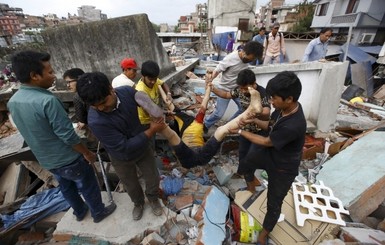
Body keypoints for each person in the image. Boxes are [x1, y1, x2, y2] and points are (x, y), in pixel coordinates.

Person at [7, 51, 116, 223]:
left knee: (66, 187)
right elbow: (67, 136)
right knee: (88, 185)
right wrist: (86, 153)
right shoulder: (48, 101)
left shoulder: (13, 101)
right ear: (34, 76)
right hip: (69, 158)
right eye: (50, 72)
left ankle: (80, 212)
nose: (54, 76)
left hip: (47, 160)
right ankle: (98, 212)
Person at [76, 71, 166, 221]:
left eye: (104, 102)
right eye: (95, 106)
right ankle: (138, 203)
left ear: (112, 89)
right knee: (130, 184)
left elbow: (143, 99)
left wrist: (149, 106)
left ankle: (153, 198)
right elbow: (124, 147)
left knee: (152, 178)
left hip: (143, 149)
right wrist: (152, 131)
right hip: (121, 156)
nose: (101, 108)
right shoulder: (96, 121)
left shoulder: (126, 91)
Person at [230, 71, 306, 245]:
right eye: (270, 97)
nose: (271, 102)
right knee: (246, 161)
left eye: (274, 98)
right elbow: (268, 125)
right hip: (273, 153)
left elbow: (266, 140)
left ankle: (264, 234)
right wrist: (252, 120)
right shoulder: (282, 109)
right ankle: (251, 187)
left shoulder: (294, 124)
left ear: (289, 99)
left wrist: (240, 131)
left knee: (274, 204)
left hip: (283, 167)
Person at [209, 69, 271, 163]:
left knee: (253, 155)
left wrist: (256, 112)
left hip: (259, 131)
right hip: (245, 128)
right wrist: (213, 89)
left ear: (254, 83)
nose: (242, 91)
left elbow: (266, 112)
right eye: (241, 88)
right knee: (242, 151)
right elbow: (226, 95)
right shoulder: (240, 90)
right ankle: (242, 172)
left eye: (245, 88)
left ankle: (251, 172)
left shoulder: (262, 93)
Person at [203, 41, 264, 131]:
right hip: (224, 89)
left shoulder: (248, 60)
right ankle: (206, 124)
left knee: (244, 109)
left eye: (252, 60)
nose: (250, 61)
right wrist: (210, 80)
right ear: (244, 52)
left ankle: (229, 125)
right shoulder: (231, 58)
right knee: (219, 114)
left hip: (238, 90)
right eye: (249, 59)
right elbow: (217, 70)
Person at [135, 60, 172, 126]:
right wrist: (166, 112)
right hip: (146, 121)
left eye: (155, 79)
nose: (153, 82)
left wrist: (168, 94)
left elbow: (163, 84)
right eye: (150, 79)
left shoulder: (154, 79)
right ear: (143, 76)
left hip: (155, 115)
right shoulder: (140, 90)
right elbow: (151, 110)